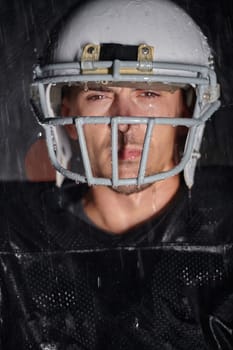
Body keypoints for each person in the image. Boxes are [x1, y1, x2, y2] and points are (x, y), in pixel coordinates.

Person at [1, 0, 233, 349]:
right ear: (66, 114)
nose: (123, 120)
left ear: (188, 111)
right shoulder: (14, 237)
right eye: (98, 95)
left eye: (149, 93)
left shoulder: (225, 228)